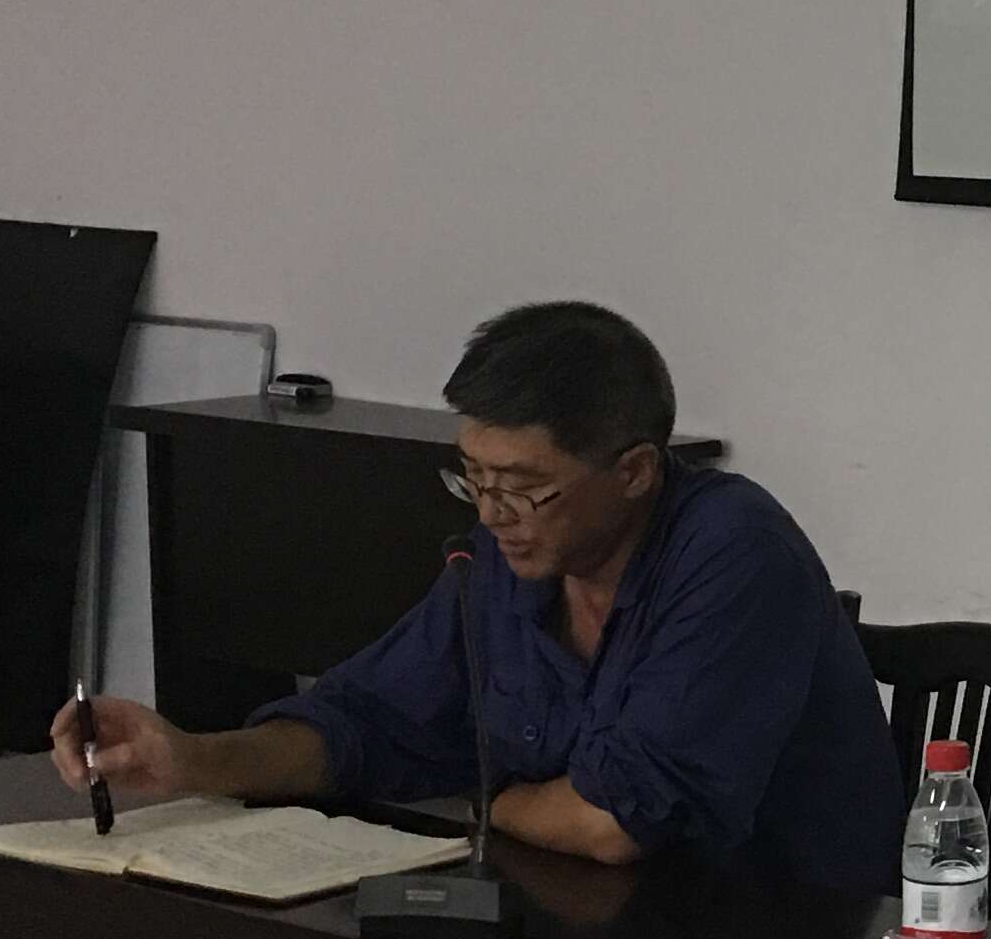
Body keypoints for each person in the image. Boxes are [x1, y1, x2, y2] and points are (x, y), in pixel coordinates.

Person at [53, 301, 904, 894]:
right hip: (585, 920)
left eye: (525, 487)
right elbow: (365, 722)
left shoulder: (733, 553)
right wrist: (194, 759)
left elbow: (611, 825)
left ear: (635, 472)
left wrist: (489, 804)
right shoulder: (505, 559)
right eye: (474, 479)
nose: (494, 514)